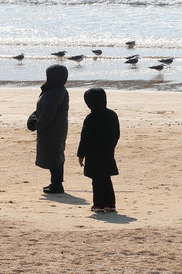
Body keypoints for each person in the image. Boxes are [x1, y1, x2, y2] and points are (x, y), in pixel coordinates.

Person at [27, 64, 69, 194]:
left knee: (52, 157)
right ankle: (56, 183)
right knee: (57, 155)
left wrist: (37, 125)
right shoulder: (61, 90)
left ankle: (56, 185)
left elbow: (47, 115)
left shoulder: (51, 93)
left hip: (51, 130)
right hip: (59, 128)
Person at [77, 88, 120, 213]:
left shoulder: (91, 118)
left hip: (94, 154)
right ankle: (111, 203)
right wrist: (111, 146)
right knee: (106, 178)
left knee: (97, 180)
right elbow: (117, 134)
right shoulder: (112, 115)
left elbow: (85, 138)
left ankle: (99, 204)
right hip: (108, 151)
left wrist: (81, 155)